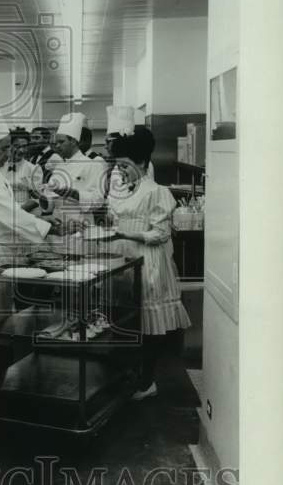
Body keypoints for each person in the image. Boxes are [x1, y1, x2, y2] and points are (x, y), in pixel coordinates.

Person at [0, 96, 62, 385]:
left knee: (3, 323)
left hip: (1, 254)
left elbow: (14, 211)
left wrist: (44, 223)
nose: (8, 154)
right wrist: (48, 229)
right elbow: (9, 215)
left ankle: (1, 382)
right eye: (4, 148)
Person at [106, 127, 191, 399]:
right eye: (118, 166)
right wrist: (112, 227)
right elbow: (117, 216)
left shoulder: (157, 192)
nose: (120, 171)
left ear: (141, 163)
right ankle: (130, 373)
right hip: (123, 257)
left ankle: (147, 381)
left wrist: (126, 233)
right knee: (127, 318)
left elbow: (160, 234)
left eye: (125, 166)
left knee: (148, 323)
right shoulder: (125, 190)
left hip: (148, 260)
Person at [43, 111, 106, 229]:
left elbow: (98, 200)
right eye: (56, 143)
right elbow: (50, 201)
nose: (57, 146)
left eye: (61, 142)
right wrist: (44, 196)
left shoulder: (93, 165)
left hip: (80, 223)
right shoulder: (59, 167)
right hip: (58, 224)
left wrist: (74, 194)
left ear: (73, 141)